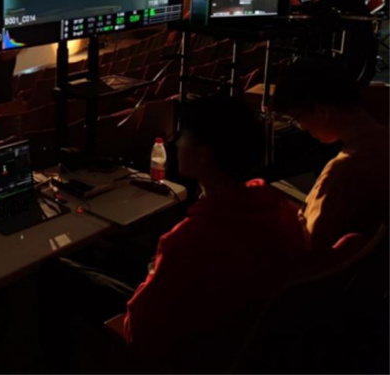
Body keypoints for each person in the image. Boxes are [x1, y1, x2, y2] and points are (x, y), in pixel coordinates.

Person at [41, 96, 306, 373]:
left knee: (55, 270)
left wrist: (153, 276)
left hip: (186, 350)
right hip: (231, 334)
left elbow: (137, 330)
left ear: (204, 155)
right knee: (114, 246)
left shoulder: (189, 240)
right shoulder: (281, 211)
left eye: (184, 136)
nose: (176, 143)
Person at [273, 59, 389, 252]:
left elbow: (311, 242)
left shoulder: (343, 170)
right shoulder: (382, 143)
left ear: (322, 111)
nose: (302, 128)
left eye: (298, 120)